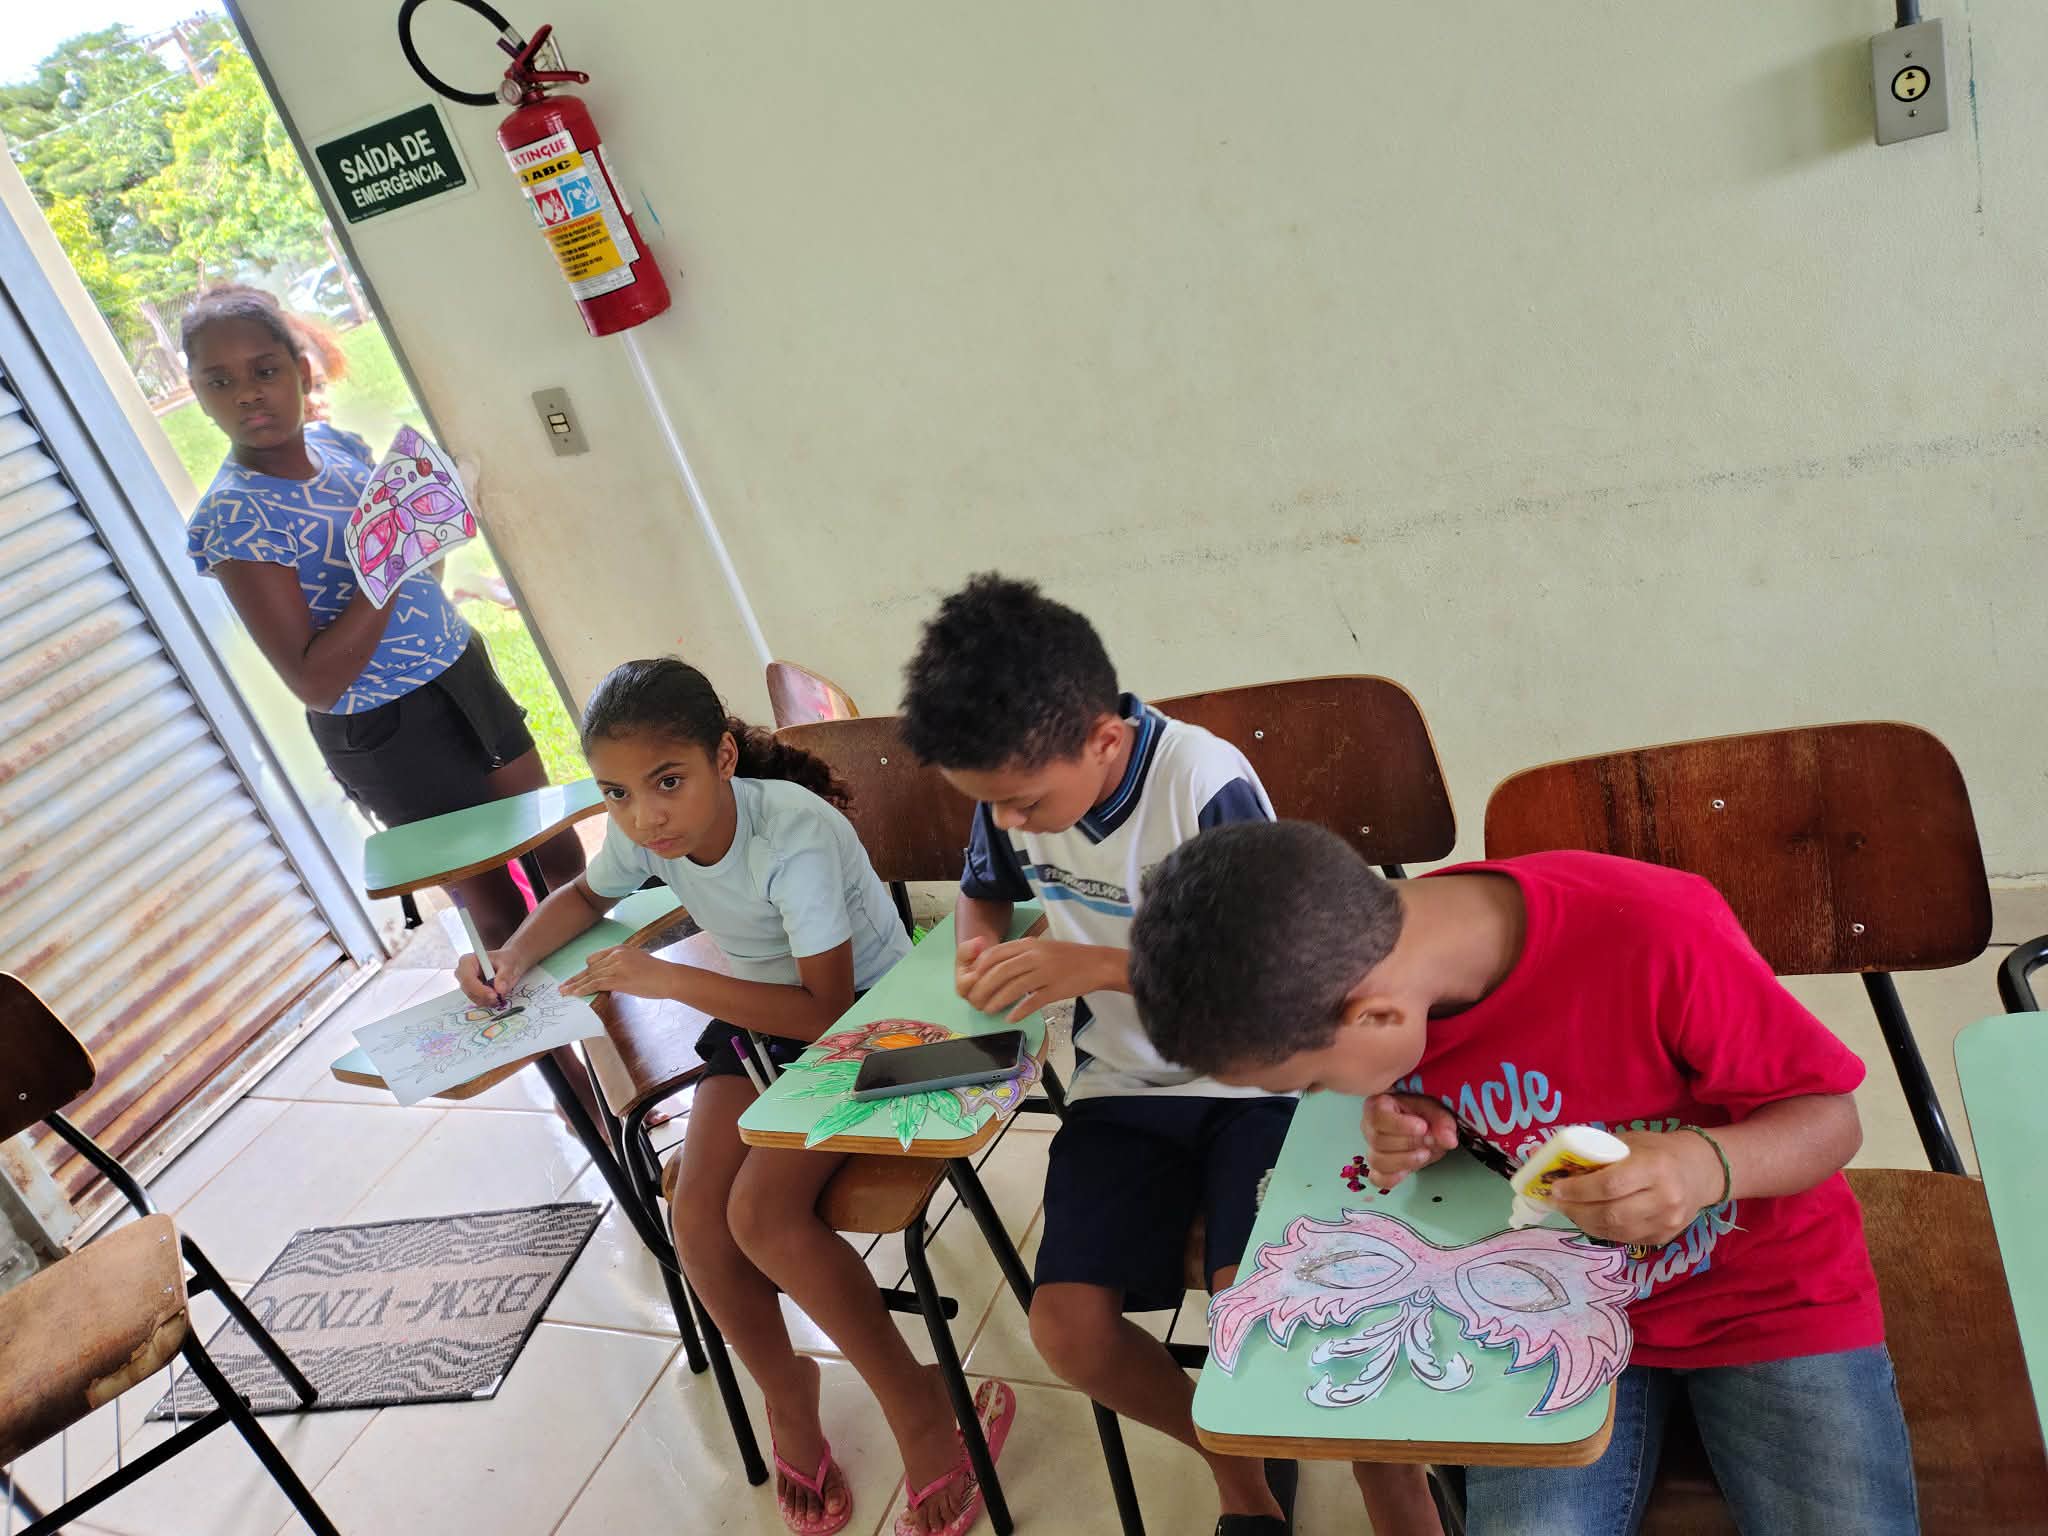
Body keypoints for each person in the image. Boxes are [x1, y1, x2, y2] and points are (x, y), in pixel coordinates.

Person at [1126, 821, 1917, 1536]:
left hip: (1767, 1293)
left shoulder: (1656, 934)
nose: (1322, 1099)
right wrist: (1404, 1117)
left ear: (1376, 1014)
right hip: (1543, 1307)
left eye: (1313, 1082)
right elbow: (1449, 1083)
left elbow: (1832, 1119)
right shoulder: (1376, 959)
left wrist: (1708, 1165)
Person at [897, 574, 1441, 1536]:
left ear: (1104, 740)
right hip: (1121, 1086)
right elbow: (984, 892)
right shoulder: (1013, 784)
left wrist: (1096, 965)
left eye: (1023, 802)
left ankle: (1329, 1465)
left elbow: (1275, 980)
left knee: (1256, 1315)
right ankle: (1240, 1474)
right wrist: (977, 951)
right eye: (992, 806)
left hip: (1255, 1081)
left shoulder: (1201, 780)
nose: (1009, 822)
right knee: (1067, 1331)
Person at [454, 658, 1017, 1536]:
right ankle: (789, 1392)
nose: (644, 817)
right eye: (616, 794)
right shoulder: (649, 833)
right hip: (765, 1026)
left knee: (762, 1215)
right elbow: (582, 895)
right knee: (697, 1220)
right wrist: (510, 958)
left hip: (883, 1031)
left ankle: (919, 1406)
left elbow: (826, 1012)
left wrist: (668, 981)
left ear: (722, 757)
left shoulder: (792, 835)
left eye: (666, 782)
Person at [180, 285, 584, 945]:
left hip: (459, 668)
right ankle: (548, 1020)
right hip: (385, 726)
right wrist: (387, 567)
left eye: (265, 370)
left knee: (558, 851)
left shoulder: (339, 448)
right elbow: (314, 682)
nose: (247, 394)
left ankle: (613, 1000)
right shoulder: (235, 516)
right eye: (219, 381)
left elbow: (417, 574)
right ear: (199, 396)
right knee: (496, 908)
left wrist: (429, 531)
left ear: (300, 370)